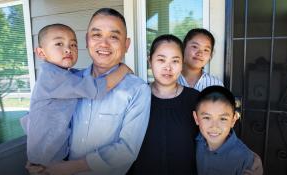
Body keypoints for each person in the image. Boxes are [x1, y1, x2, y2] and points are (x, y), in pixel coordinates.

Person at [27, 8, 151, 175]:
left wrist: (66, 168)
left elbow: (127, 150)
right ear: (87, 40)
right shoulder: (68, 82)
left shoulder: (137, 89)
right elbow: (43, 119)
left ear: (126, 45)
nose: (104, 44)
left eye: (114, 36)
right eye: (97, 35)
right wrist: (38, 157)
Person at [21, 23, 131, 168]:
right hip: (47, 157)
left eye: (73, 45)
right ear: (41, 53)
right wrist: (123, 69)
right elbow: (95, 89)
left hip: (48, 152)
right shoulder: (54, 78)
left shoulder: (63, 75)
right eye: (59, 44)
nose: (68, 49)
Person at [128, 34, 199, 175]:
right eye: (161, 60)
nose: (168, 67)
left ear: (182, 63)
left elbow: (215, 136)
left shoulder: (195, 99)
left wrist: (246, 159)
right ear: (150, 61)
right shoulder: (135, 97)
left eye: (175, 61)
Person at [193, 85, 263, 175]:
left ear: (233, 120)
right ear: (196, 118)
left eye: (223, 119)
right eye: (207, 117)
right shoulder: (191, 144)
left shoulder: (248, 161)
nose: (214, 126)